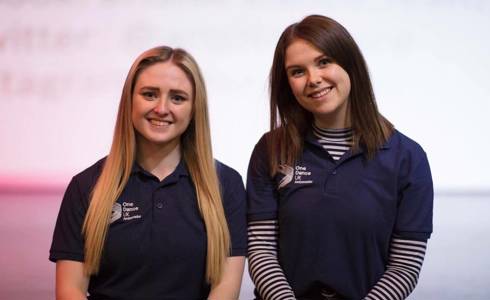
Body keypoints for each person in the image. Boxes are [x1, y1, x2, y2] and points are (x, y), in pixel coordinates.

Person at [247, 15, 433, 300]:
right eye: (297, 71)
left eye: (324, 62)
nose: (314, 79)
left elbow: (404, 267)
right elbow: (261, 251)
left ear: (350, 64)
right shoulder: (270, 150)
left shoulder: (408, 158)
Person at [49, 46, 247, 299]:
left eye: (177, 98)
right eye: (150, 94)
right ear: (130, 99)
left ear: (194, 108)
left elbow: (225, 291)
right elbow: (70, 291)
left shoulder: (226, 185)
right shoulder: (86, 186)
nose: (162, 108)